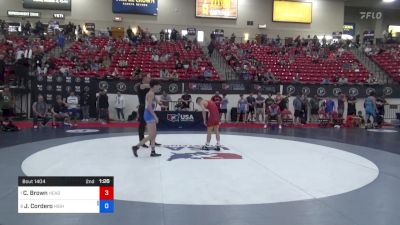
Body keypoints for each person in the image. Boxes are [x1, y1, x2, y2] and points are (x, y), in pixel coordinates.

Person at [132, 80, 162, 158]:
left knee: (154, 134)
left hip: (149, 114)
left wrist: (159, 103)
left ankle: (153, 151)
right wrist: (155, 116)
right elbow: (149, 107)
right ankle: (136, 147)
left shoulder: (152, 93)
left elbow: (153, 103)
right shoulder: (151, 94)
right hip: (149, 114)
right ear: (154, 86)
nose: (159, 87)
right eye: (158, 85)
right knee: (152, 134)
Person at [137, 74, 161, 148]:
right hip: (143, 108)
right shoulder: (140, 85)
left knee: (152, 128)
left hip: (148, 108)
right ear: (144, 78)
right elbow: (145, 86)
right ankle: (142, 141)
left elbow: (153, 95)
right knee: (142, 125)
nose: (150, 78)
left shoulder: (150, 89)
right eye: (148, 77)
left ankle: (152, 141)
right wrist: (153, 84)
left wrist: (159, 102)